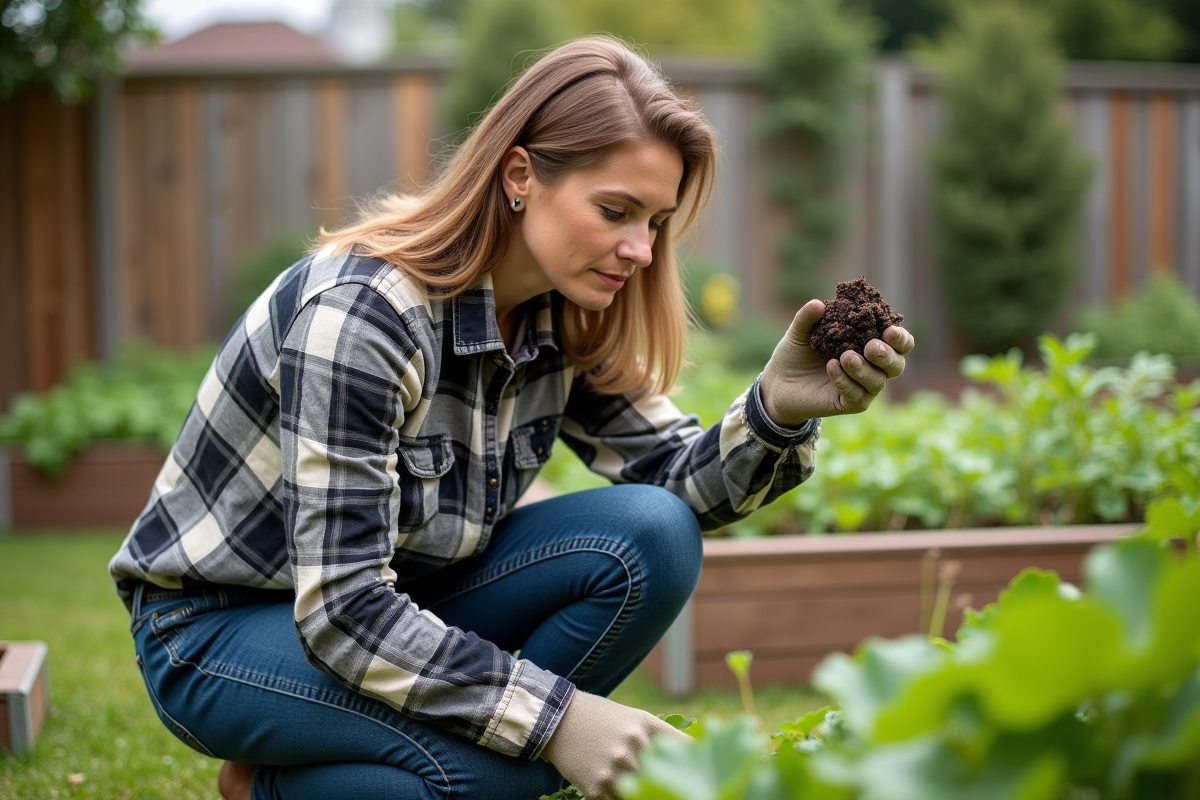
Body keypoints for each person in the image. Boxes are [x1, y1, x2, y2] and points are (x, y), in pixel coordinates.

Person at [109, 35, 913, 800]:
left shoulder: (561, 311)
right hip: (221, 629)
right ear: (521, 174)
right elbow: (344, 608)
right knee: (503, 771)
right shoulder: (364, 317)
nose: (639, 249)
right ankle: (312, 778)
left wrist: (774, 412)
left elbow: (673, 491)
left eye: (656, 222)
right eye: (616, 210)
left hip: (409, 598)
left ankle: (340, 774)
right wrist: (560, 720)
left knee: (652, 534)